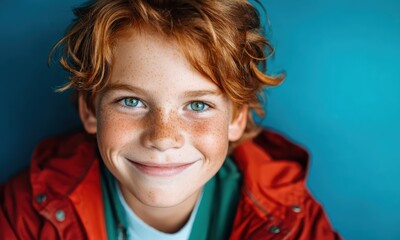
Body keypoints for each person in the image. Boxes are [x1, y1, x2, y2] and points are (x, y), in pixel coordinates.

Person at [0, 0, 341, 239]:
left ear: (236, 117)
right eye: (131, 101)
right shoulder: (27, 214)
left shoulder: (292, 222)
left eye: (197, 106)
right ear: (90, 110)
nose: (163, 137)